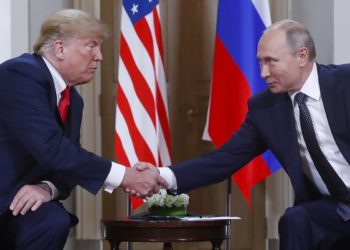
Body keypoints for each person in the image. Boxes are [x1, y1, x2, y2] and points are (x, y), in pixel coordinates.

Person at [141, 19, 350, 250]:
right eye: (260, 62)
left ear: (302, 56)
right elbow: (225, 159)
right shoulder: (265, 109)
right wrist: (164, 175)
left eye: (271, 62)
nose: (263, 73)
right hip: (335, 209)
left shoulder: (344, 83)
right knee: (296, 220)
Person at [0, 9, 166, 250]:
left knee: (52, 221)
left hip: (19, 203)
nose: (99, 56)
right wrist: (126, 176)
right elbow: (52, 148)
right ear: (59, 49)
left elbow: (67, 165)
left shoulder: (73, 100)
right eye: (91, 46)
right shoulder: (21, 74)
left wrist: (47, 188)